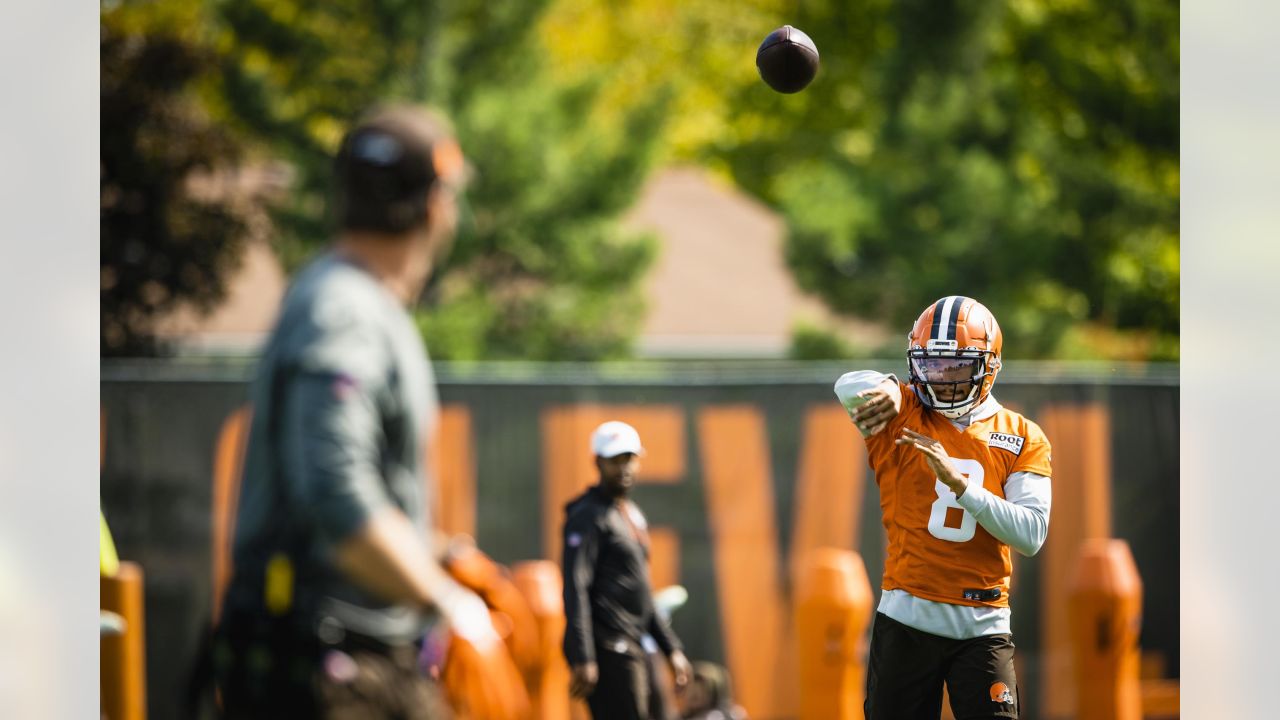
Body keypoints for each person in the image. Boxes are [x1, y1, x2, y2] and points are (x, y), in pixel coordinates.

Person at [213, 105, 495, 719]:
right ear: (436, 205)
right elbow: (337, 495)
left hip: (339, 658)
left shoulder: (348, 300)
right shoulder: (345, 310)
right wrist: (451, 605)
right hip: (330, 672)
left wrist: (440, 557)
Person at [834, 296, 1053, 720]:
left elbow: (1031, 535)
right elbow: (847, 384)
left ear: (989, 365)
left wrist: (962, 487)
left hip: (983, 624)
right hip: (907, 618)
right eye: (931, 365)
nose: (942, 378)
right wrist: (883, 387)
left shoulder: (1023, 435)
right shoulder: (901, 412)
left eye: (957, 366)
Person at [562, 421, 694, 720]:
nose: (622, 468)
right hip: (608, 646)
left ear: (638, 459)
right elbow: (575, 587)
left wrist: (671, 648)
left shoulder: (630, 514)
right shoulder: (587, 517)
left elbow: (642, 591)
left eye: (628, 458)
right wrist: (584, 655)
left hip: (633, 643)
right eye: (614, 460)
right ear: (597, 462)